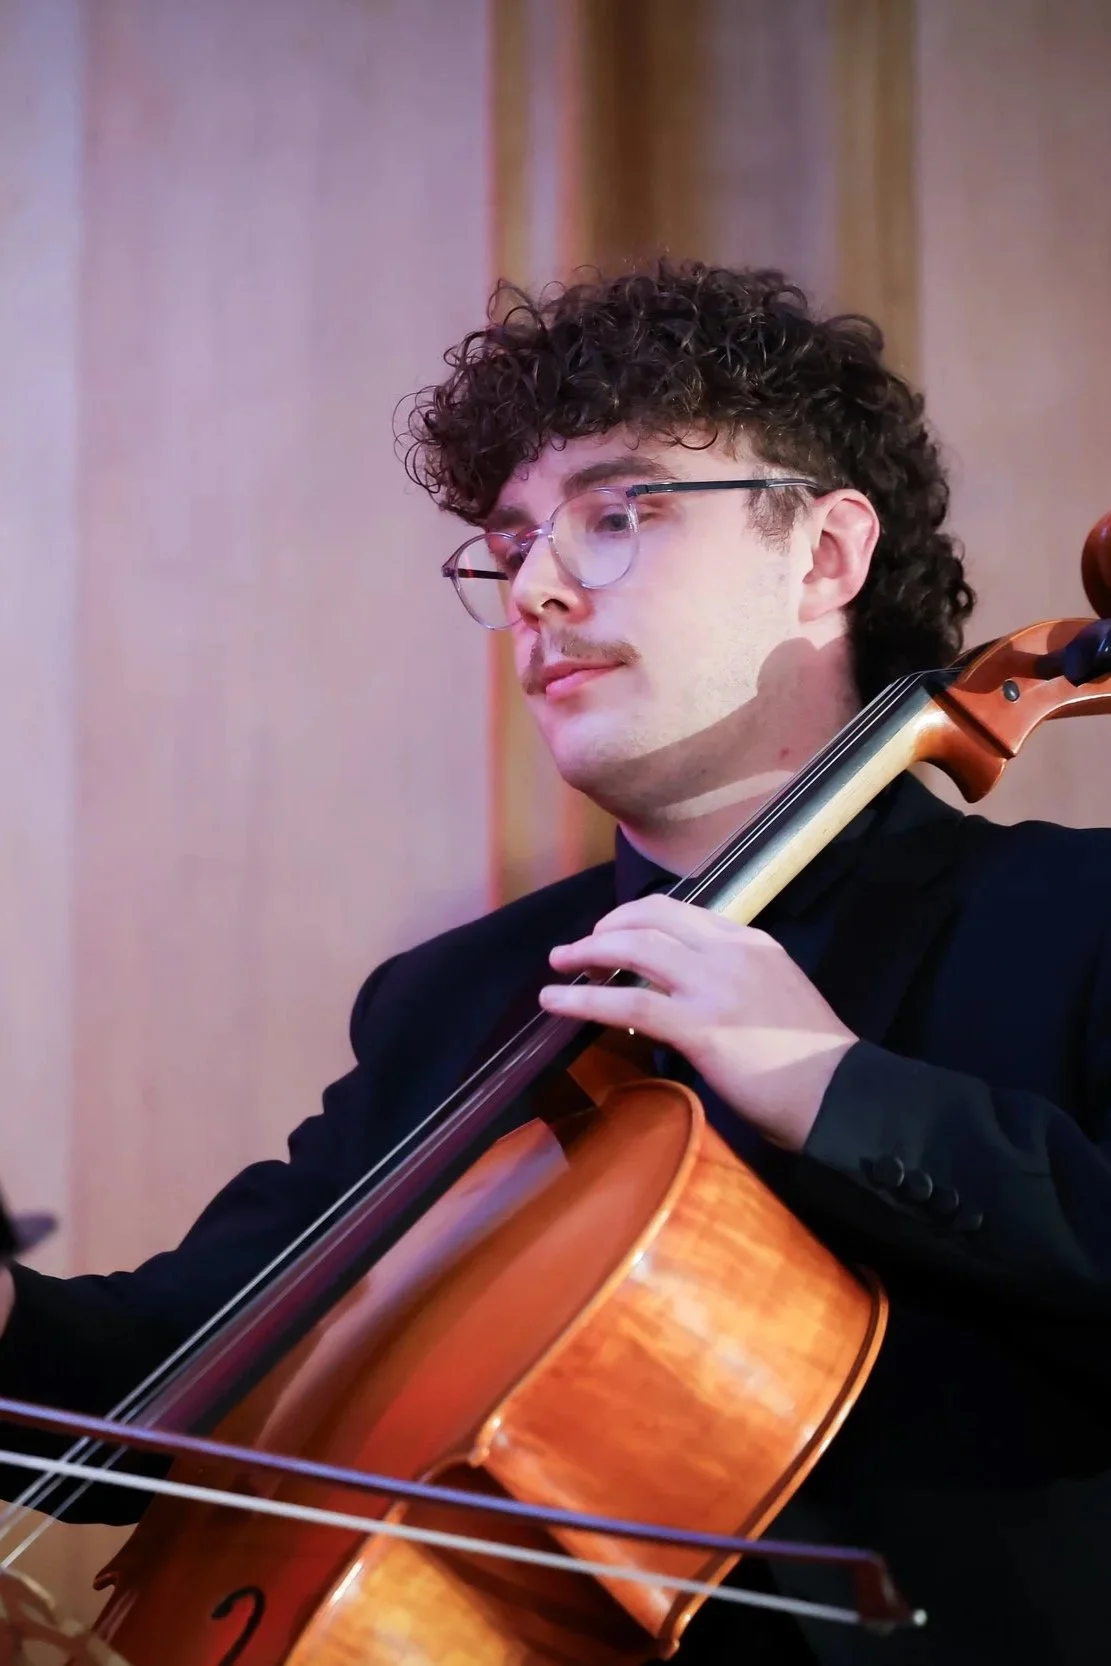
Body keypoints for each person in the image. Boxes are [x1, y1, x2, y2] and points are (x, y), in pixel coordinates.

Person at [0, 263, 1108, 1665]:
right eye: (510, 540)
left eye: (622, 511)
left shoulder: (1073, 924)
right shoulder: (461, 1002)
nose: (537, 585)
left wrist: (831, 1087)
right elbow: (167, 1386)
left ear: (825, 553)